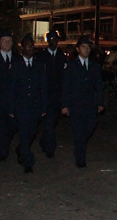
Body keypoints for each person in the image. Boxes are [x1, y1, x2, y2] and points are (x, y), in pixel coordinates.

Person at [61, 35, 104, 168]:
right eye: (84, 47)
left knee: (90, 127)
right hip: (75, 104)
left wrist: (101, 102)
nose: (86, 50)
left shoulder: (94, 66)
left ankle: (80, 145)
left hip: (90, 104)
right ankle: (80, 158)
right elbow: (66, 86)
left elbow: (99, 85)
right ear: (78, 49)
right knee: (78, 131)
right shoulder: (71, 65)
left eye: (88, 47)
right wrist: (65, 105)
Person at [7, 34, 47, 173]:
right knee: (24, 133)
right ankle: (27, 161)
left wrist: (44, 106)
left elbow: (43, 87)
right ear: (22, 48)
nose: (31, 49)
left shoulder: (39, 65)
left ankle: (21, 149)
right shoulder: (16, 65)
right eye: (28, 46)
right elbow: (12, 88)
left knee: (32, 132)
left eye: (32, 46)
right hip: (21, 105)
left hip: (35, 105)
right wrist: (11, 107)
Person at [35, 30, 66, 158]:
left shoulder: (61, 56)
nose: (54, 41)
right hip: (45, 94)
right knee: (48, 121)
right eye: (51, 39)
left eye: (56, 39)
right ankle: (50, 147)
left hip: (57, 94)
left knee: (53, 120)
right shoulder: (41, 56)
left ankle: (44, 141)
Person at [0, 30, 19, 162]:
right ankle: (2, 151)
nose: (7, 43)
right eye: (4, 40)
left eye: (9, 41)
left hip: (14, 100)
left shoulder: (18, 59)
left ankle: (4, 143)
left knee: (12, 126)